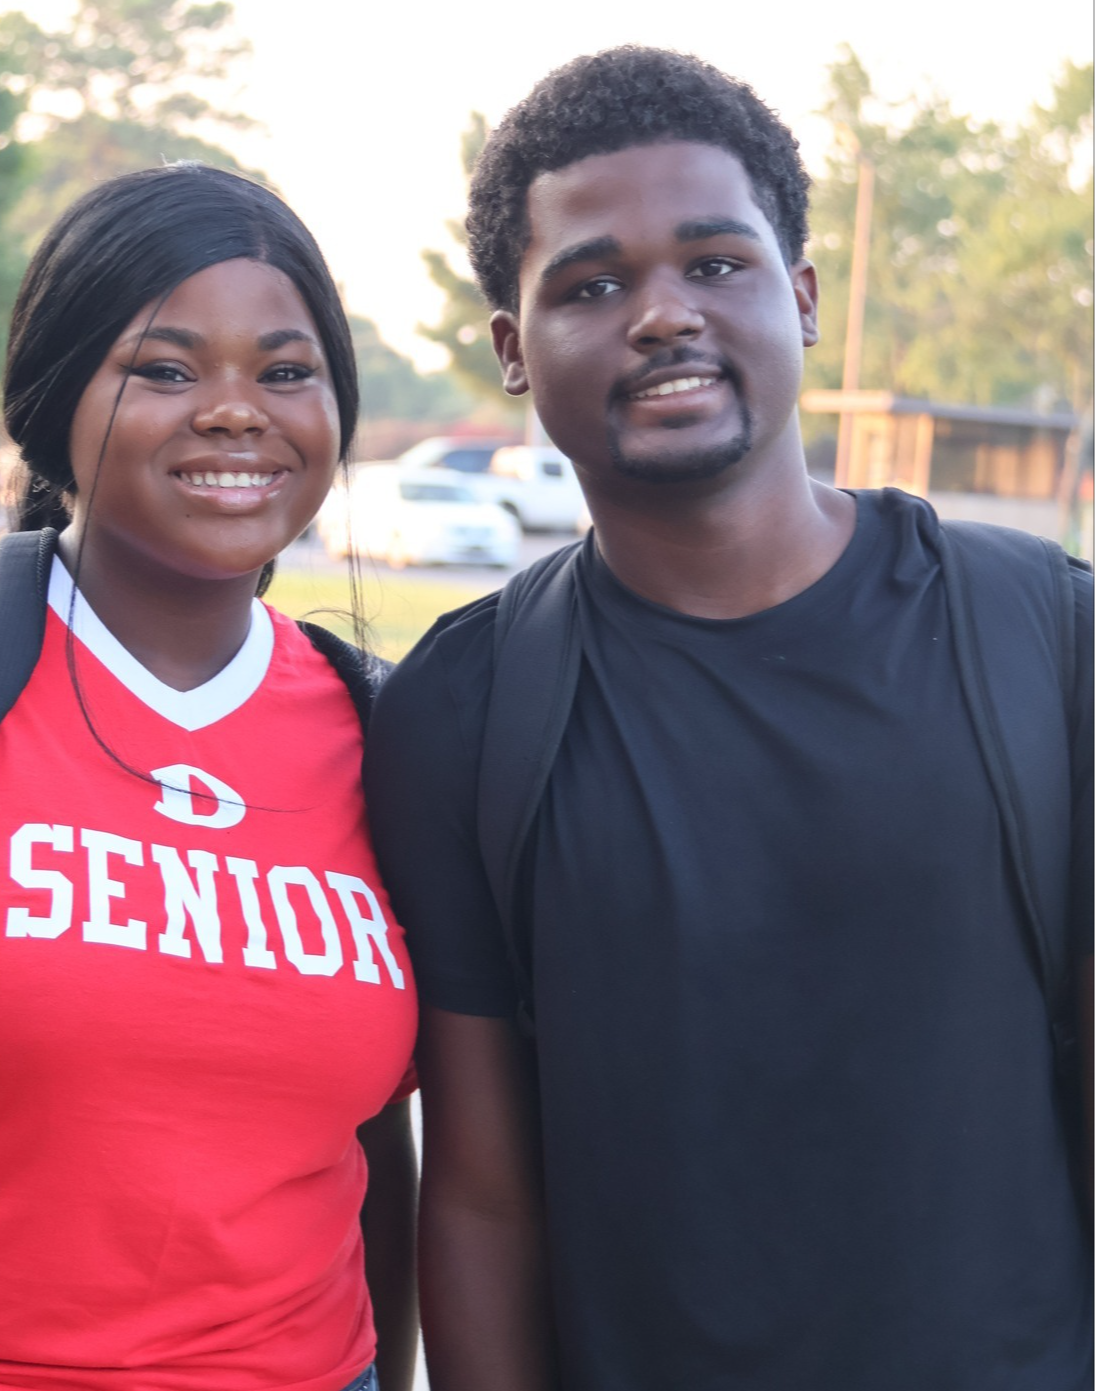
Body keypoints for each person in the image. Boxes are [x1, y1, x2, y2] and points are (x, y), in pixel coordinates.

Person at [363, 46, 1093, 1391]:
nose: (660, 316)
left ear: (802, 298)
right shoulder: (462, 710)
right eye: (591, 283)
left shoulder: (1043, 637)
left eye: (714, 264)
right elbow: (476, 1189)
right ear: (514, 350)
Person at [0, 162, 417, 1391]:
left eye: (286, 368)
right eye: (164, 366)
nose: (233, 410)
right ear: (54, 401)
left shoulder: (395, 736)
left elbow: (388, 1152)